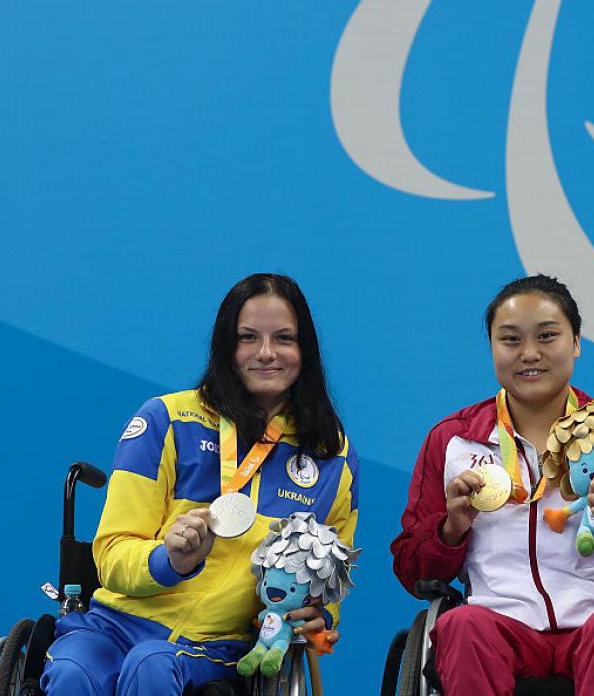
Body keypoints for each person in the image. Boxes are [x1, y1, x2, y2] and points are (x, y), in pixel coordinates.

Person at [42, 273, 360, 696]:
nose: (267, 353)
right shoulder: (166, 421)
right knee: (71, 673)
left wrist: (321, 614)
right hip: (112, 626)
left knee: (152, 664)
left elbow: (328, 573)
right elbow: (111, 554)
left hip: (217, 646)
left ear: (306, 349)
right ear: (226, 346)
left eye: (284, 338)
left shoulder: (330, 454)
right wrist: (169, 560)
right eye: (248, 337)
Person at [391, 275, 594, 696]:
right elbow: (412, 571)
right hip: (497, 626)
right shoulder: (453, 442)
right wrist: (450, 531)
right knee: (462, 625)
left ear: (576, 342)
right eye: (510, 340)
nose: (529, 354)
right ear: (491, 347)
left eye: (547, 336)